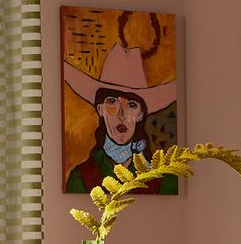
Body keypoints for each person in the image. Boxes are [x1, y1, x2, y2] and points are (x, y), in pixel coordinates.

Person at [63, 45, 178, 193]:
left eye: (131, 104)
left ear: (140, 115)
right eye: (112, 101)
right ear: (100, 110)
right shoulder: (80, 178)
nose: (121, 115)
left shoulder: (164, 180)